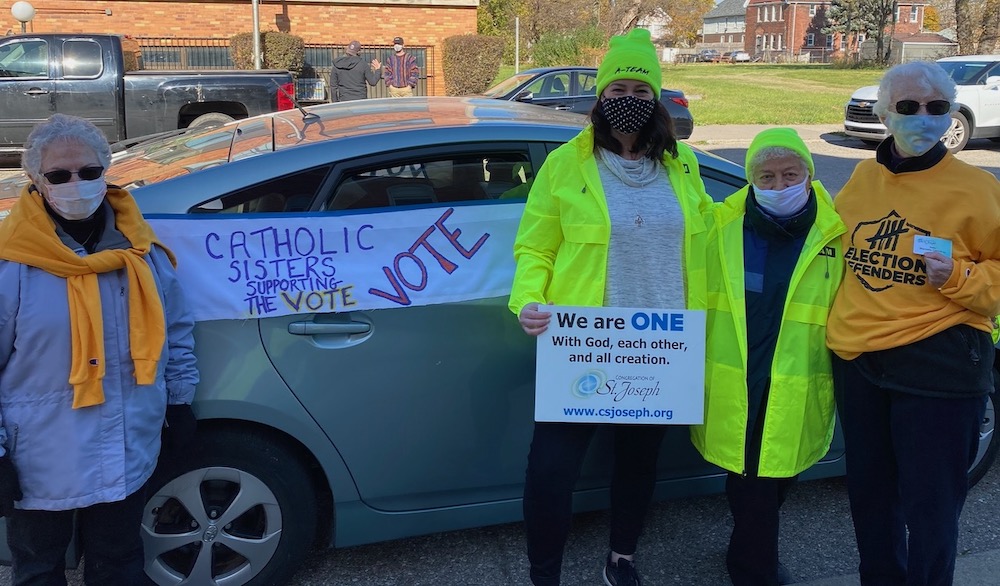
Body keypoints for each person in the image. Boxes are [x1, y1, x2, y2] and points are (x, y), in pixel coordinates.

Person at [509, 28, 713, 586]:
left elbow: (713, 234)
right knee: (551, 471)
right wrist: (528, 300)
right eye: (618, 87)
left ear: (658, 100)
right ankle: (543, 572)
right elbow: (535, 245)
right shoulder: (566, 166)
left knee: (638, 463)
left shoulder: (684, 167)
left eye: (642, 91)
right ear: (600, 96)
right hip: (583, 344)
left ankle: (622, 556)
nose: (630, 98)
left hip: (660, 345)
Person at [0, 114, 199, 585]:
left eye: (89, 172)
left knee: (119, 562)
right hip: (40, 459)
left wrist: (180, 402)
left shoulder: (141, 251)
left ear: (106, 170)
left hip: (126, 446)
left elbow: (176, 329)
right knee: (38, 568)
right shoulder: (11, 263)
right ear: (35, 179)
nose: (77, 184)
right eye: (59, 175)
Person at [826, 60, 1000, 585]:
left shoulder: (978, 187)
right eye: (908, 107)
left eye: (937, 108)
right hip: (859, 358)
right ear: (884, 113)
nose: (923, 118)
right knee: (871, 498)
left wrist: (959, 276)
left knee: (930, 506)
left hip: (940, 358)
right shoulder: (861, 178)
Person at [690, 128, 845, 585]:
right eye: (767, 176)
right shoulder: (720, 228)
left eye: (790, 174)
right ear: (751, 180)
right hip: (739, 375)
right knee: (751, 478)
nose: (779, 186)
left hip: (797, 379)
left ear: (809, 175)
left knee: (779, 475)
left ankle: (745, 544)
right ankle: (753, 569)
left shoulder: (836, 233)